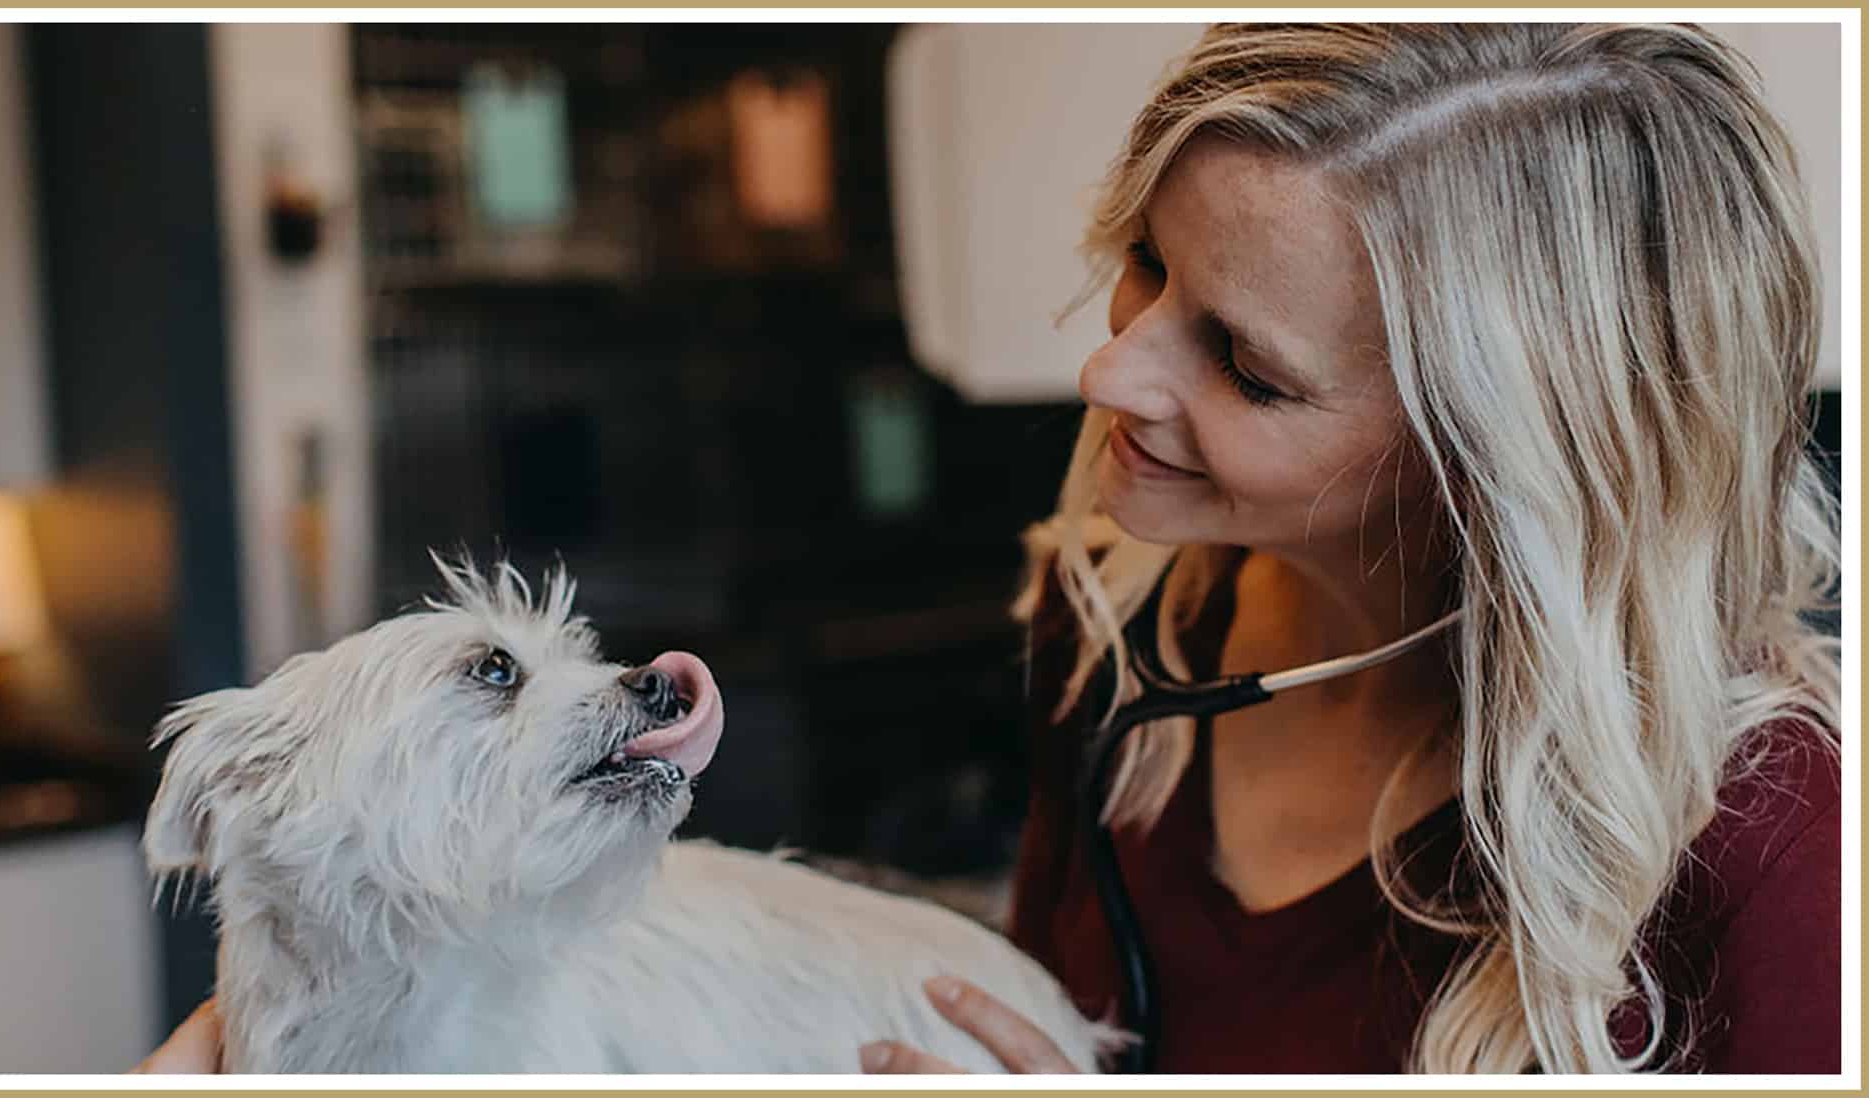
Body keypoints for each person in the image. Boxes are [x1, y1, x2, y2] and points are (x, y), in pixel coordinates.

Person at [135, 21, 1841, 1075]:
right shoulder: (1111, 623)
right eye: (1147, 268)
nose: (1114, 369)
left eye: (1244, 363)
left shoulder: (1779, 858)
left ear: (1497, 471)